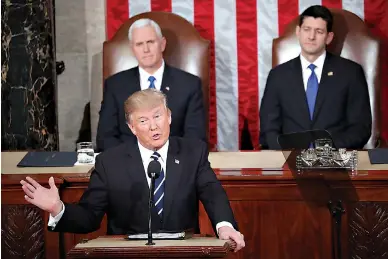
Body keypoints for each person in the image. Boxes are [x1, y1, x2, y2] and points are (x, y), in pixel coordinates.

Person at [20, 89, 245, 252]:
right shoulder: (110, 162)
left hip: (182, 252)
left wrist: (225, 227)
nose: (154, 126)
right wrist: (57, 208)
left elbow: (212, 192)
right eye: (144, 120)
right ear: (132, 127)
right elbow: (89, 217)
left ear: (169, 116)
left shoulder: (192, 152)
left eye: (158, 116)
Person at [259, 5, 372, 150]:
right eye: (307, 30)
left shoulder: (351, 73)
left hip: (335, 162)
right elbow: (269, 128)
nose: (311, 37)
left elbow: (360, 128)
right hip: (290, 162)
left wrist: (327, 151)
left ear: (329, 37)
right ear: (298, 32)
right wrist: (286, 153)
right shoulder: (278, 75)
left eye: (319, 31)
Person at [96, 18, 207, 152]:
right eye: (139, 44)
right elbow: (105, 137)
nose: (146, 49)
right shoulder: (115, 85)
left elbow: (195, 138)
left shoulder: (189, 84)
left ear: (162, 44)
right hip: (127, 163)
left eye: (150, 42)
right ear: (132, 49)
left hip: (175, 162)